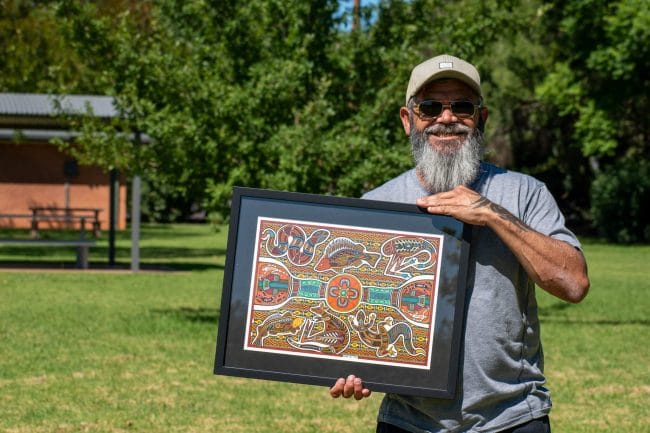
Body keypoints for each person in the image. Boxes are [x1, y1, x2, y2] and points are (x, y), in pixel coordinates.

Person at [328, 54, 590, 433]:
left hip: (513, 416)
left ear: (481, 119)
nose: (446, 118)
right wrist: (348, 366)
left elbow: (574, 283)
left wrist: (490, 212)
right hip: (408, 420)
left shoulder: (524, 192)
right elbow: (348, 314)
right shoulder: (376, 205)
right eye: (430, 107)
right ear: (408, 120)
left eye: (462, 106)